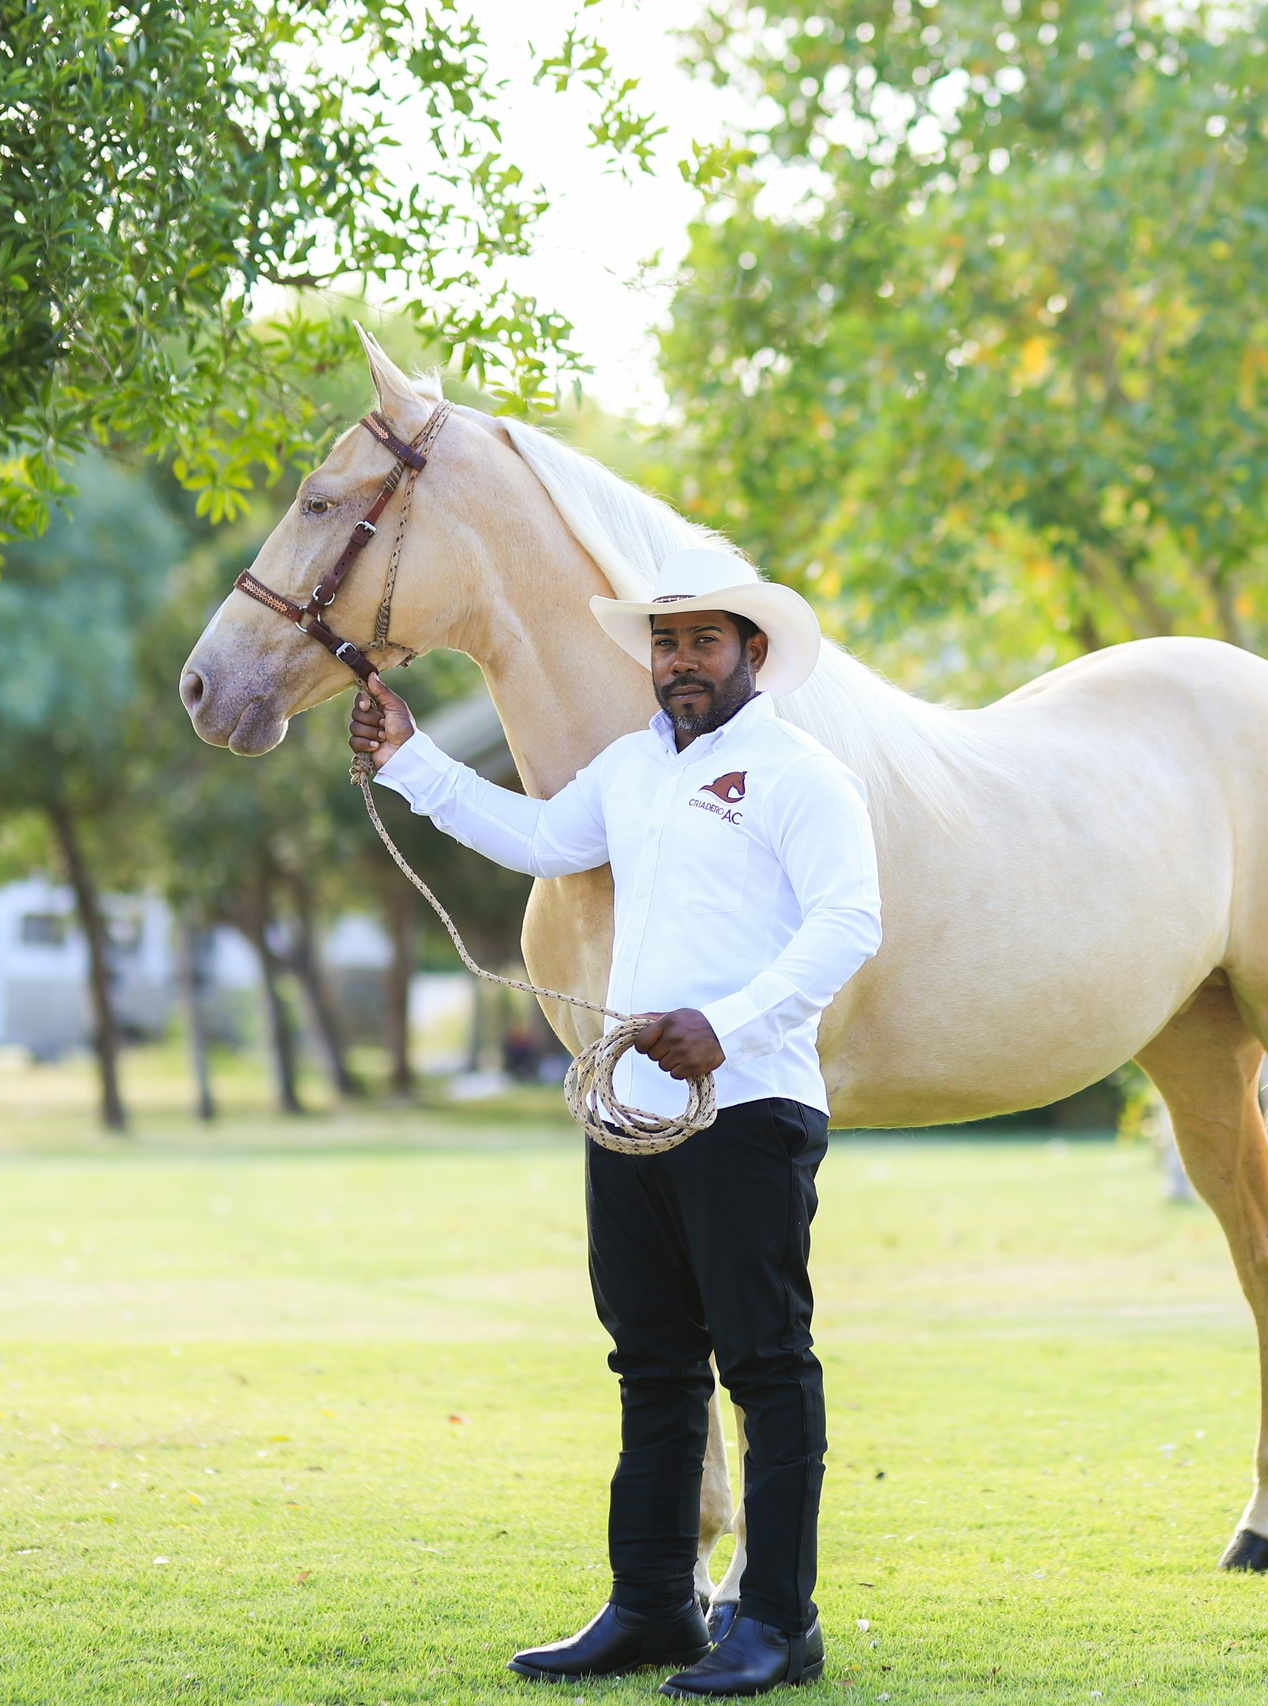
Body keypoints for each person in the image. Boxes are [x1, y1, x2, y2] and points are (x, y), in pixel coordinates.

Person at [349, 548, 882, 1697]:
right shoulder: (632, 767)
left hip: (749, 1107)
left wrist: (724, 1025)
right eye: (665, 642)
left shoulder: (799, 773)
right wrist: (410, 758)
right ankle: (651, 1605)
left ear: (752, 652)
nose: (681, 661)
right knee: (650, 1361)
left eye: (704, 641)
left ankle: (779, 1622)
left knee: (765, 1365)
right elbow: (543, 839)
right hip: (630, 1114)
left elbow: (849, 920)